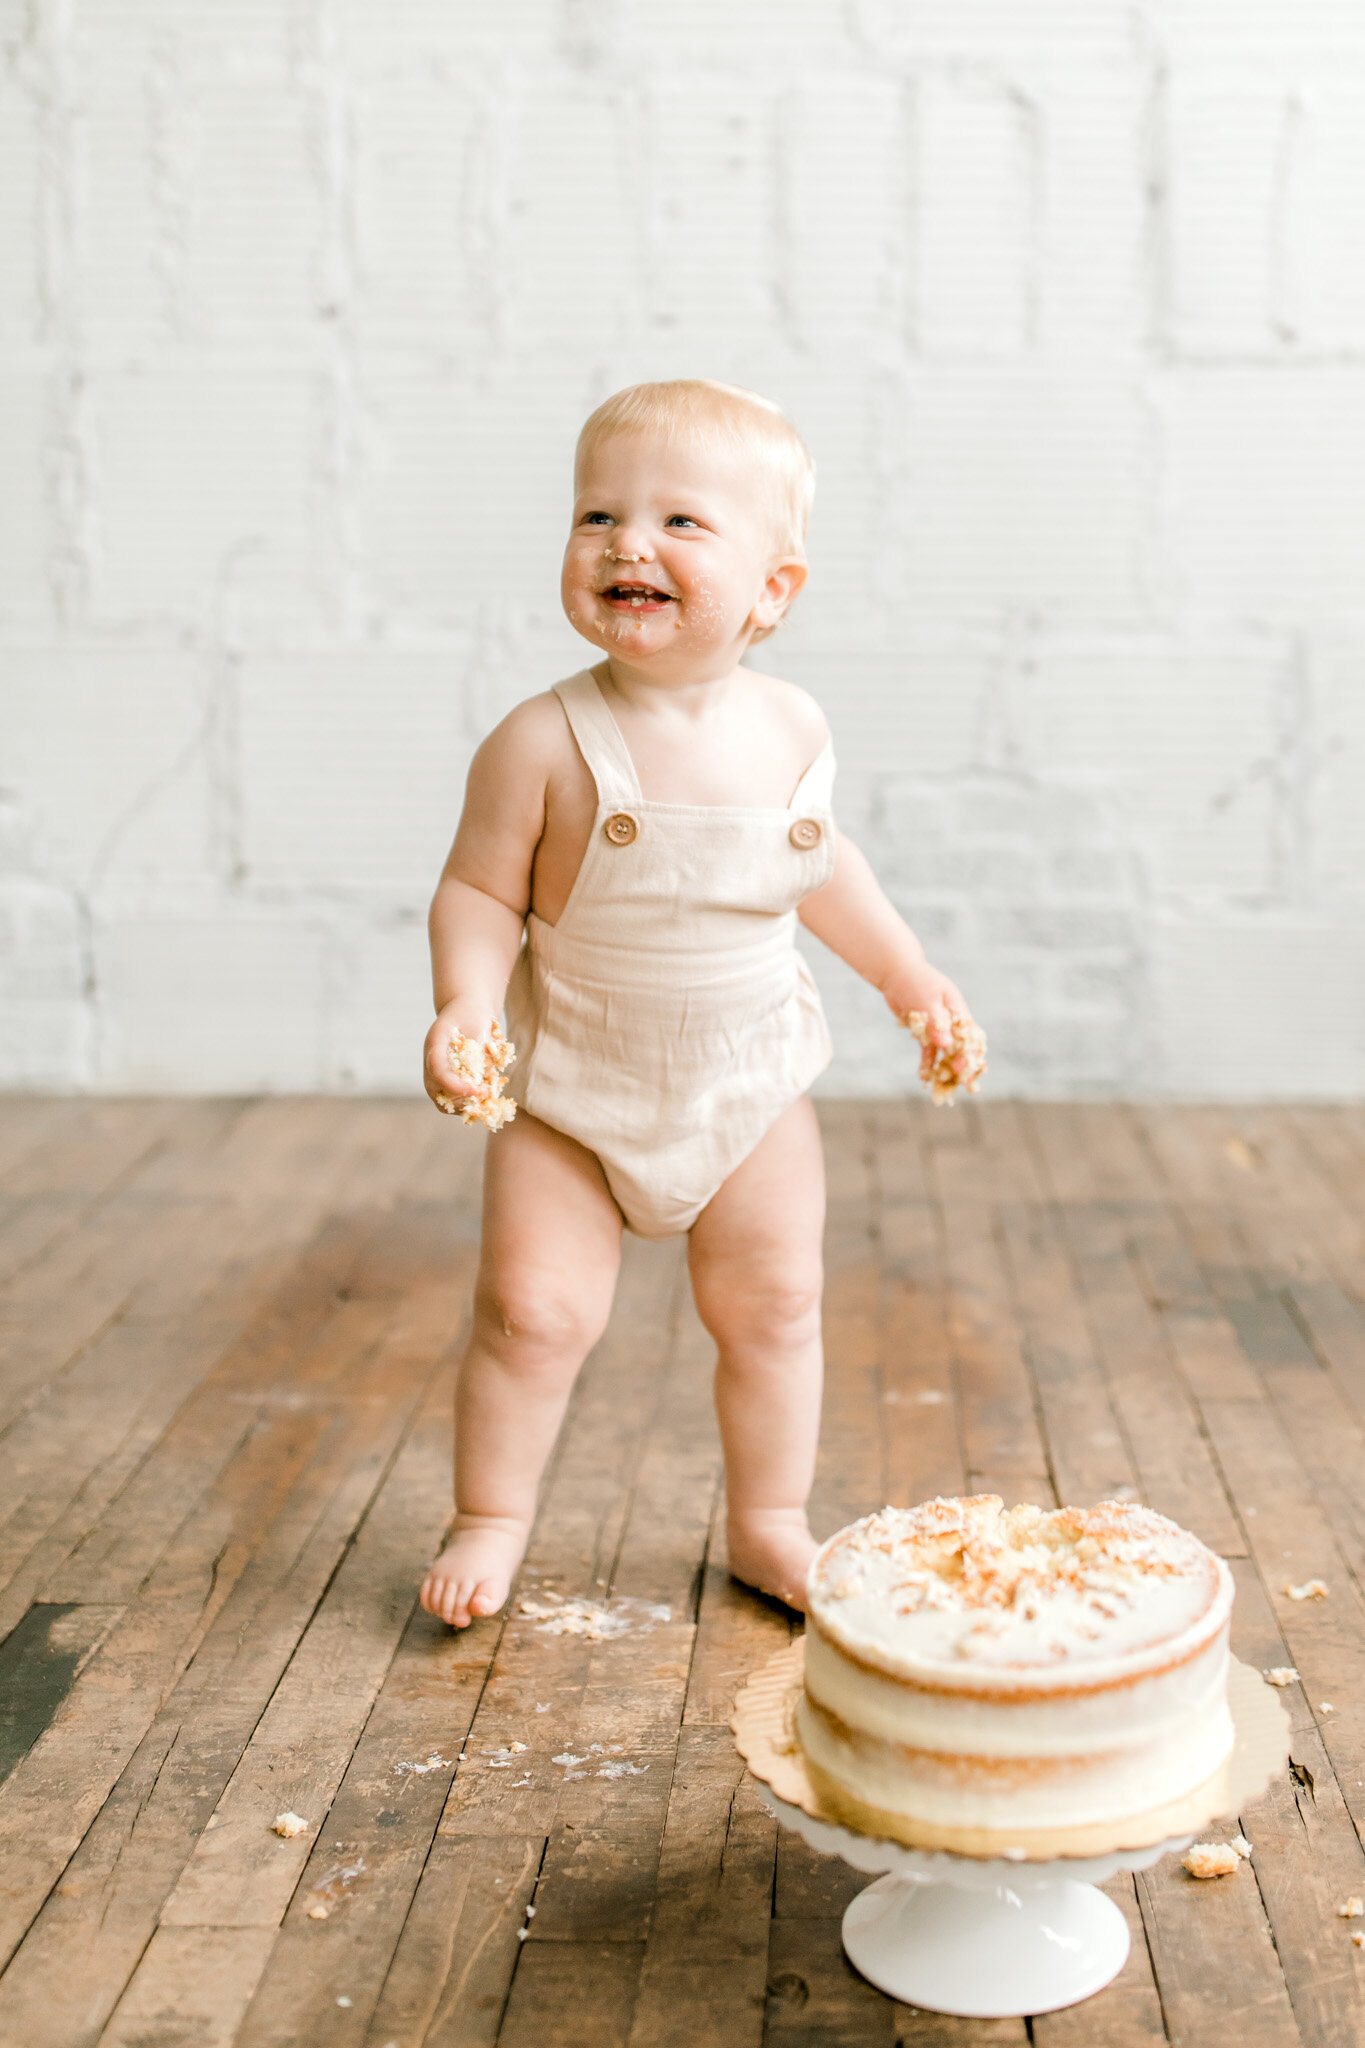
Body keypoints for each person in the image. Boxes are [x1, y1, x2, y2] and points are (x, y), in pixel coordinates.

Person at [418, 379, 977, 1629]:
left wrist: (908, 977)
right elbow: (475, 889)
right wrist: (467, 1001)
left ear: (774, 589)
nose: (628, 542)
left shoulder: (792, 727)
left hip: (749, 1079)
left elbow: (821, 865)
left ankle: (769, 1518)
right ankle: (492, 1512)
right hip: (570, 1084)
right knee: (531, 1313)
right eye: (598, 513)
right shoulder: (542, 740)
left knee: (776, 1306)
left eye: (681, 521)